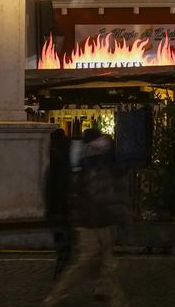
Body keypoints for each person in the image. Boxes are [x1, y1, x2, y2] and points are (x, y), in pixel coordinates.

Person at [43, 128, 129, 307]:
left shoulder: (86, 161)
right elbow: (96, 194)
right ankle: (56, 295)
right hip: (91, 221)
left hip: (98, 220)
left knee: (107, 264)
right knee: (89, 262)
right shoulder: (92, 164)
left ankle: (115, 299)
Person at [46, 128, 72, 278]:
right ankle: (62, 272)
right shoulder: (62, 159)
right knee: (65, 244)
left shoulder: (53, 159)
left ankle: (61, 269)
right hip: (62, 210)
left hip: (56, 210)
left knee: (62, 243)